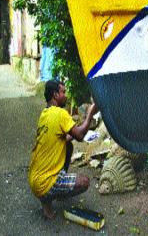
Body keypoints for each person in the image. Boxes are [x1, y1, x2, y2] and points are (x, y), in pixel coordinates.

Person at [28, 80, 98, 219]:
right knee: (84, 182)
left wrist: (77, 130)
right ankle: (53, 195)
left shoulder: (45, 114)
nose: (66, 96)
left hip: (34, 180)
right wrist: (90, 113)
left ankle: (50, 196)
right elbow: (79, 136)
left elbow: (64, 138)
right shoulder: (60, 113)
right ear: (55, 95)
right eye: (63, 92)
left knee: (68, 146)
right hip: (45, 183)